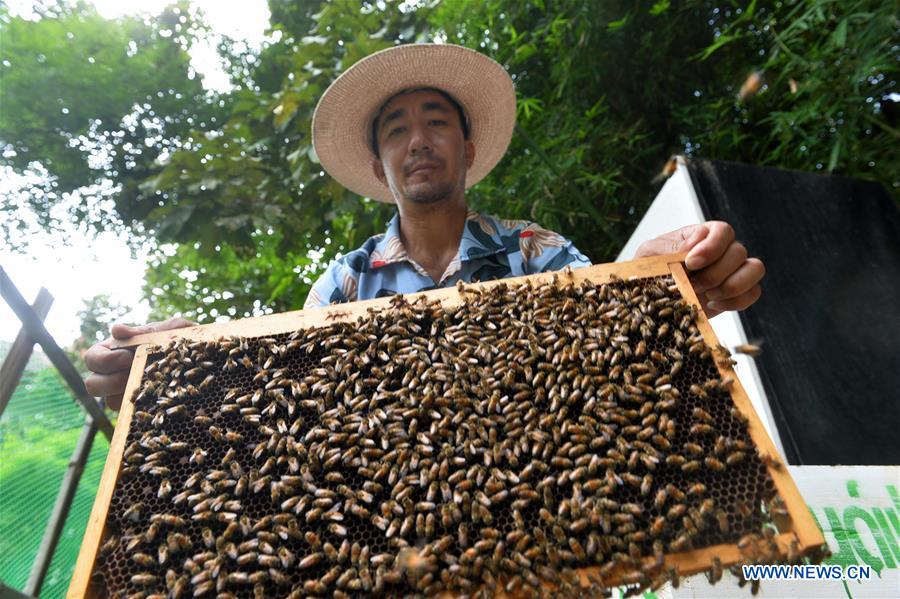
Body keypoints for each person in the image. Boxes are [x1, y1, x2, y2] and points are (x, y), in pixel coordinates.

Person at [84, 44, 765, 409]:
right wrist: (185, 374)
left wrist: (662, 283)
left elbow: (611, 324)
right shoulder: (344, 281)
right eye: (397, 129)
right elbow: (291, 401)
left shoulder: (536, 250)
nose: (418, 140)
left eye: (437, 121)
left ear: (467, 150)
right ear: (379, 168)